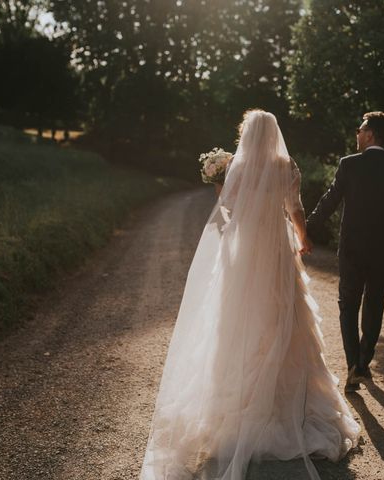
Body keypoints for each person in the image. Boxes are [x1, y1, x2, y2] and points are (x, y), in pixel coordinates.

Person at [140, 109, 360, 480]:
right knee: (282, 317)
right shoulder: (285, 165)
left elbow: (227, 206)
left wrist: (219, 182)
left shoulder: (237, 167)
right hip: (275, 250)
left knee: (239, 317)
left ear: (247, 135)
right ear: (274, 134)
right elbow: (296, 208)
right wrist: (303, 239)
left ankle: (238, 405)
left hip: (244, 253)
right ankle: (284, 402)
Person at [306, 111, 384, 393]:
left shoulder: (349, 165)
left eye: (360, 129)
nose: (357, 133)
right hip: (383, 250)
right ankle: (363, 362)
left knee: (348, 305)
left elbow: (329, 200)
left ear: (370, 134)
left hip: (352, 248)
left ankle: (354, 363)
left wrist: (305, 229)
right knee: (375, 303)